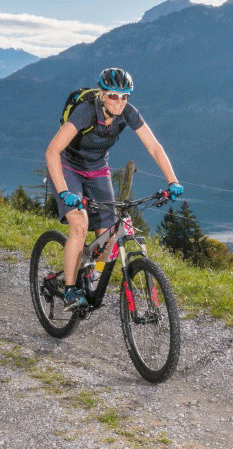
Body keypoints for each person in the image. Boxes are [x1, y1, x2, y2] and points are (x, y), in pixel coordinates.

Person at [44, 67, 183, 308]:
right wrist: (65, 191)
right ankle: (69, 289)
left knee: (109, 233)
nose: (119, 102)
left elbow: (154, 147)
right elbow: (52, 150)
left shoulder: (128, 113)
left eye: (124, 96)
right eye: (113, 96)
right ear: (102, 94)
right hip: (68, 165)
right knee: (80, 223)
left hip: (97, 168)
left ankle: (89, 272)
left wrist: (172, 180)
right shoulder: (85, 112)